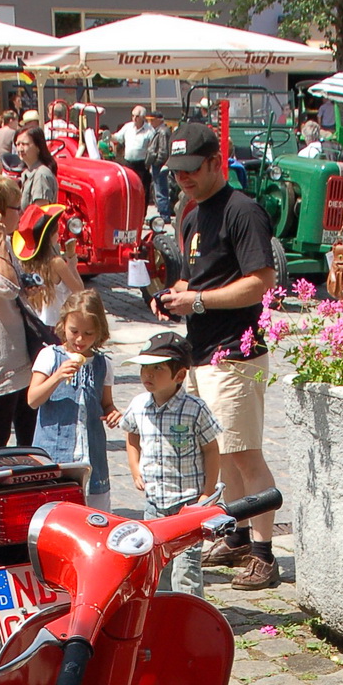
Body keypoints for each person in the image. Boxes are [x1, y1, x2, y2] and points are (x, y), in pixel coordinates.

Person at [157, 121, 279, 591]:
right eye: (177, 171)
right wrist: (176, 295)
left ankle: (265, 554)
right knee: (222, 451)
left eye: (191, 169)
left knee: (245, 452)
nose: (183, 178)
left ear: (215, 163)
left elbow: (260, 281)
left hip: (236, 350)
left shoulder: (242, 210)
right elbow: (199, 280)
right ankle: (239, 535)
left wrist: (200, 301)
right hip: (203, 350)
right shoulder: (191, 214)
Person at [0, 183, 81, 450]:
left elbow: (16, 286)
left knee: (30, 436)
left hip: (22, 355)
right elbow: (5, 288)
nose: (20, 215)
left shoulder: (5, 242)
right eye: (15, 208)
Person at [121, 331, 220, 598]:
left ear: (179, 376)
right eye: (144, 368)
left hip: (188, 504)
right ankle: (160, 612)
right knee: (156, 565)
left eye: (157, 368)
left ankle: (189, 619)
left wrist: (207, 492)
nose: (147, 375)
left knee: (186, 569)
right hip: (154, 504)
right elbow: (131, 435)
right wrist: (135, 467)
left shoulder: (194, 409)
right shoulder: (139, 405)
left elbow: (211, 449)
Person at [28, 290, 120, 510]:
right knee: (54, 510)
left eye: (88, 333)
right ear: (63, 326)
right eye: (74, 331)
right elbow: (33, 399)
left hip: (92, 455)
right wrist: (57, 376)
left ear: (99, 332)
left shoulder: (102, 364)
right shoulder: (50, 356)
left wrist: (112, 412)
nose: (80, 339)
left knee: (94, 512)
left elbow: (106, 402)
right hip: (55, 453)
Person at [112, 106, 154, 206]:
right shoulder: (128, 127)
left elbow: (153, 148)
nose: (134, 118)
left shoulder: (149, 131)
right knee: (127, 187)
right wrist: (108, 136)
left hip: (141, 165)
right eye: (133, 115)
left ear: (143, 117)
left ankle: (141, 214)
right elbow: (117, 137)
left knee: (142, 190)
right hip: (128, 163)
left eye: (137, 116)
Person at [16, 126, 59, 207]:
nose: (20, 149)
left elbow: (40, 214)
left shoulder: (41, 175)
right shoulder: (27, 173)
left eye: (25, 144)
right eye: (18, 144)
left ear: (38, 147)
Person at [145, 109, 173, 222]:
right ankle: (164, 214)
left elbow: (163, 151)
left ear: (158, 120)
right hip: (160, 165)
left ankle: (164, 216)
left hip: (160, 166)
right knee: (160, 190)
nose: (150, 123)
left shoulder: (162, 132)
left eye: (152, 120)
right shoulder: (161, 131)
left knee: (160, 191)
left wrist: (157, 163)